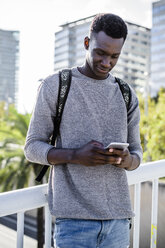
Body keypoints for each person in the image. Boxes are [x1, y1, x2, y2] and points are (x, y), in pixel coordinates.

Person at [24, 13, 143, 248]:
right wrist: (75, 155)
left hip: (118, 221)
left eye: (114, 56)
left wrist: (127, 160)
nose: (107, 62)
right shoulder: (56, 85)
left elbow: (138, 155)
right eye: (101, 52)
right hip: (73, 224)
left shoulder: (126, 94)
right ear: (87, 43)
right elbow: (31, 147)